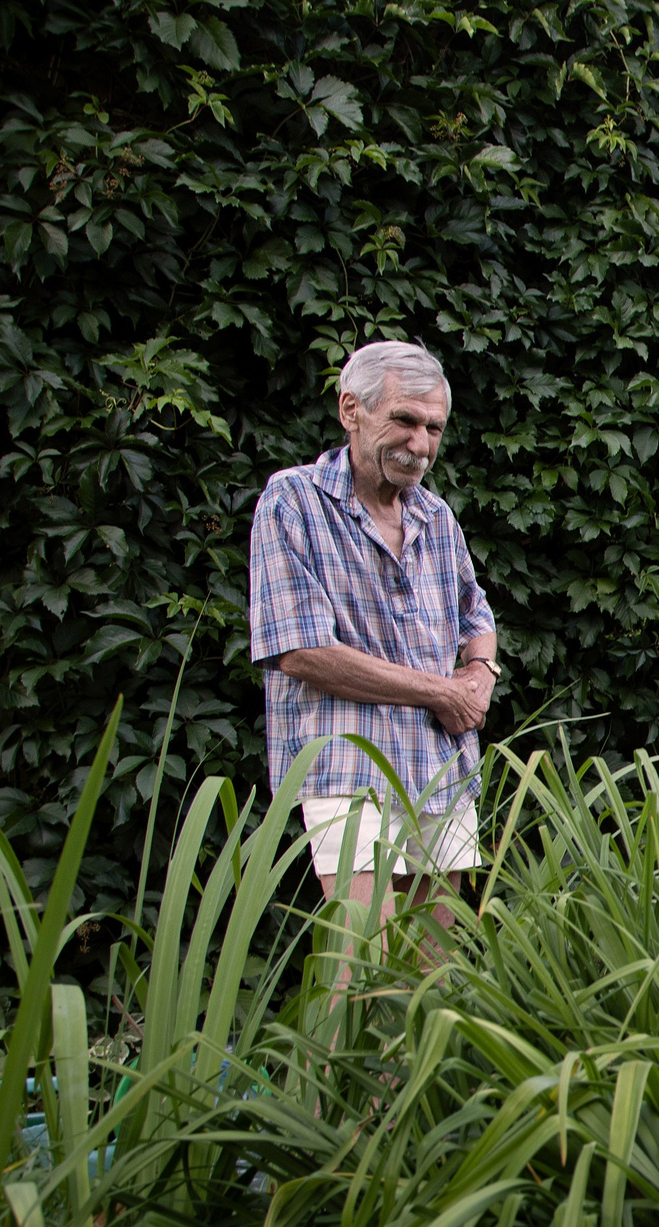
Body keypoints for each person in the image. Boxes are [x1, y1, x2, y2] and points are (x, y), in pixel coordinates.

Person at [248, 340, 499, 934]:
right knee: (364, 963)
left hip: (440, 766)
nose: (421, 445)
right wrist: (442, 691)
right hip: (346, 767)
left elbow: (475, 613)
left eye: (434, 427)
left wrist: (480, 673)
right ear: (350, 410)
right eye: (405, 421)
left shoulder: (434, 516)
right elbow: (300, 650)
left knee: (433, 972)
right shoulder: (294, 501)